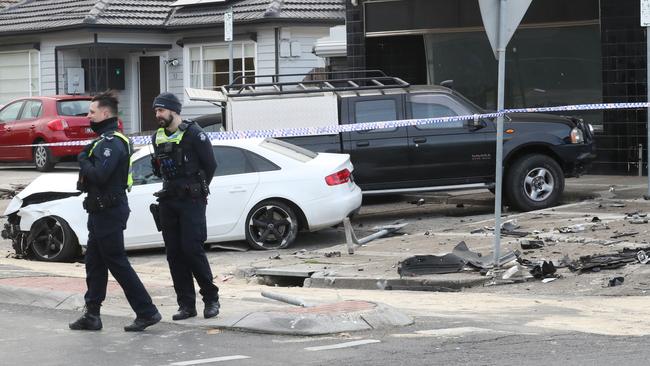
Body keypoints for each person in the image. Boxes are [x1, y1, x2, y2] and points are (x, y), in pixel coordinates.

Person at [69, 90, 161, 332]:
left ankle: (147, 311)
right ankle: (92, 314)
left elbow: (100, 175)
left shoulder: (112, 143)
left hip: (109, 210)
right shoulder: (104, 141)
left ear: (105, 113)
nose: (88, 116)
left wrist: (83, 159)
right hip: (100, 211)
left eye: (92, 112)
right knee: (94, 263)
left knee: (117, 262)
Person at [150, 92, 220, 320]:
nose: (157, 115)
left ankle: (211, 299)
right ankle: (186, 305)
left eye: (161, 110)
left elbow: (210, 165)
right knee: (174, 254)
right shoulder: (157, 137)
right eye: (156, 111)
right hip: (169, 200)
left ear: (173, 110)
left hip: (191, 201)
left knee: (192, 250)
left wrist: (197, 189)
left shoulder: (194, 134)